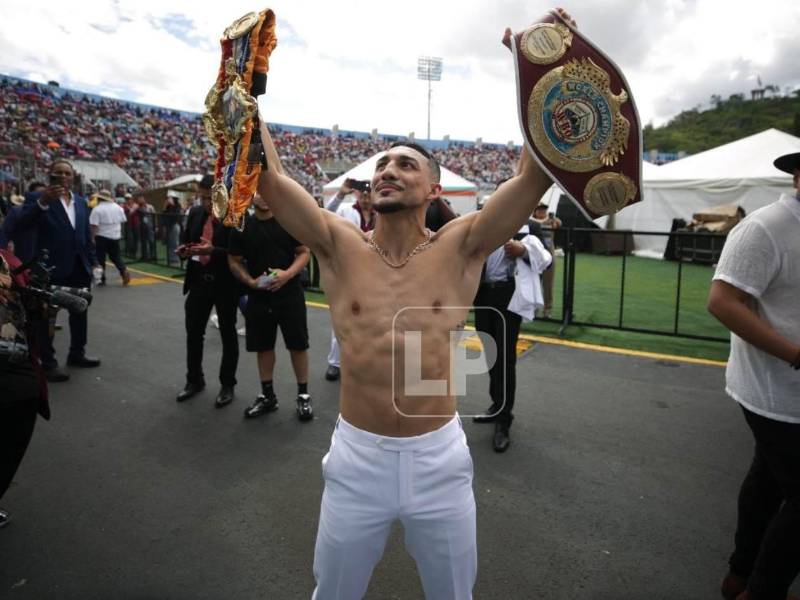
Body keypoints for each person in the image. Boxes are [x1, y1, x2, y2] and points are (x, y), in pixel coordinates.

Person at [254, 15, 568, 594]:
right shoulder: (339, 245)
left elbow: (531, 178)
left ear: (434, 190)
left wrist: (542, 68)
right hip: (357, 458)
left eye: (405, 164)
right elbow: (271, 182)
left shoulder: (463, 246)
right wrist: (246, 90)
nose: (388, 171)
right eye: (382, 165)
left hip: (438, 461)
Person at [709, 151, 800, 600]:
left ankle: (741, 575)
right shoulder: (766, 227)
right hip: (775, 391)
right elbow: (723, 302)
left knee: (767, 480)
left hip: (788, 393)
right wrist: (796, 355)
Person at [471, 199, 551, 452]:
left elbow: (546, 259)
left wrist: (524, 251)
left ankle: (504, 420)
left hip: (509, 296)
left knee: (505, 359)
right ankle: (497, 405)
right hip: (484, 296)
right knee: (491, 355)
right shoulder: (482, 224)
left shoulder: (528, 226)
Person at [228, 191, 313, 420]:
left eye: (268, 191)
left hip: (290, 293)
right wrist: (250, 281)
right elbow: (234, 260)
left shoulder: (288, 220)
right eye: (259, 192)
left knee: (297, 344)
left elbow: (304, 252)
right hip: (259, 294)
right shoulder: (242, 224)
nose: (265, 196)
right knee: (263, 347)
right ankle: (268, 396)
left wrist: (288, 274)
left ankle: (303, 396)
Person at [13, 159, 100, 382]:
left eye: (67, 173)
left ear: (73, 177)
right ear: (49, 175)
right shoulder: (38, 198)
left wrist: (93, 262)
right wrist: (43, 202)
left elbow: (84, 236)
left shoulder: (81, 202)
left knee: (80, 309)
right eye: (58, 173)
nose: (62, 177)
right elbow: (22, 224)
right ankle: (48, 362)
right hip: (50, 267)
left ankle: (77, 353)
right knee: (46, 316)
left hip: (79, 266)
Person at [175, 174, 240, 407]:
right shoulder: (194, 213)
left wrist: (213, 251)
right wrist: (184, 250)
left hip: (225, 283)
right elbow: (188, 240)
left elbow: (239, 253)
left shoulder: (233, 215)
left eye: (208, 198)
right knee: (194, 333)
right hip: (198, 281)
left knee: (228, 335)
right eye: (201, 198)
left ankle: (227, 384)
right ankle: (194, 380)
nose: (204, 203)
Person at [0, 248, 50, 529]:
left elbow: (33, 315)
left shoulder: (10, 259)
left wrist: (40, 302)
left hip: (18, 369)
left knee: (13, 439)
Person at [322, 178, 375, 381]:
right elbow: (326, 215)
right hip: (347, 272)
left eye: (369, 193)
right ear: (356, 194)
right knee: (342, 317)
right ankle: (335, 363)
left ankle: (362, 362)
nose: (366, 196)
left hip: (373, 272)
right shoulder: (345, 209)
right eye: (362, 192)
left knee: (370, 320)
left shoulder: (382, 214)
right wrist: (341, 193)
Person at [89, 189, 131, 286]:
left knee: (100, 259)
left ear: (99, 198)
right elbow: (123, 220)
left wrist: (92, 237)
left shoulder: (97, 209)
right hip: (115, 235)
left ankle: (102, 279)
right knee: (116, 256)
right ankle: (123, 270)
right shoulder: (118, 207)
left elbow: (94, 225)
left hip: (102, 236)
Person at [531, 203, 561, 318]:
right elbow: (534, 223)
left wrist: (553, 220)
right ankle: (533, 308)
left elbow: (559, 224)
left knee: (548, 284)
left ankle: (547, 309)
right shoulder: (532, 221)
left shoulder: (550, 220)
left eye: (544, 210)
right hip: (536, 256)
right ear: (535, 211)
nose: (542, 212)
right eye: (540, 210)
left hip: (549, 256)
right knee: (535, 282)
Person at [162, 192, 183, 267]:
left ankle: (176, 259)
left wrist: (172, 205)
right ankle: (171, 258)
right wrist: (165, 207)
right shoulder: (167, 206)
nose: (168, 200)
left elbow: (176, 216)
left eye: (169, 198)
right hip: (169, 226)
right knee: (170, 243)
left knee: (175, 243)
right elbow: (164, 215)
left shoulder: (177, 206)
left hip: (174, 225)